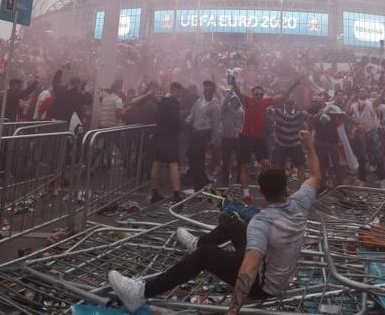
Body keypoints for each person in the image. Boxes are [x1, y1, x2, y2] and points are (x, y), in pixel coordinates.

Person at [108, 129, 321, 314]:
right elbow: (316, 175)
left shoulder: (262, 223)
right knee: (233, 224)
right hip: (275, 266)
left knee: (206, 255)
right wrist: (309, 147)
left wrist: (233, 310)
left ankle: (140, 292)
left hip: (263, 287)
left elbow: (250, 268)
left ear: (262, 193)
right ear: (286, 189)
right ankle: (197, 243)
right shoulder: (300, 202)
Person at [232, 77, 301, 204]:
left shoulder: (265, 102)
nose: (259, 96)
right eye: (256, 94)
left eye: (261, 94)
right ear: (252, 94)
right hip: (245, 137)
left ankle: (261, 184)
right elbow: (238, 92)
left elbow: (283, 97)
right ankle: (246, 195)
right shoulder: (247, 101)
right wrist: (233, 83)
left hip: (259, 137)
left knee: (266, 164)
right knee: (245, 166)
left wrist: (293, 85)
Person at [150, 82, 184, 204]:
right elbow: (176, 120)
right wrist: (179, 129)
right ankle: (176, 194)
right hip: (169, 136)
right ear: (173, 89)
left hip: (158, 135)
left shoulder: (162, 101)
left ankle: (154, 193)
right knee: (174, 164)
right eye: (178, 92)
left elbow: (156, 117)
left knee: (157, 162)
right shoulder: (172, 101)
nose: (180, 94)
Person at [185, 80, 221, 190]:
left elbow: (216, 125)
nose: (206, 92)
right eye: (205, 89)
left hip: (204, 135)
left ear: (213, 91)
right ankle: (200, 181)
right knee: (191, 157)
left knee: (199, 160)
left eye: (209, 90)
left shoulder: (215, 106)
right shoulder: (199, 101)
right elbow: (192, 114)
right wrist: (188, 121)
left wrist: (213, 142)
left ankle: (199, 185)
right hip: (194, 133)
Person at [348, 87, 385, 188]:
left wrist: (383, 92)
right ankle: (362, 180)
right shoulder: (353, 105)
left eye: (363, 91)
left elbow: (378, 99)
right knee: (361, 158)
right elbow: (349, 116)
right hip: (360, 133)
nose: (362, 92)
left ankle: (382, 181)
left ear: (367, 93)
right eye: (360, 91)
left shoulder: (371, 103)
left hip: (371, 132)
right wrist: (354, 129)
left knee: (378, 157)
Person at [269, 98, 307, 188]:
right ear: (284, 104)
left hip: (295, 143)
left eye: (291, 104)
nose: (289, 106)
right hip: (281, 143)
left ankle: (301, 186)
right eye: (287, 104)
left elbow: (307, 116)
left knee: (301, 164)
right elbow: (267, 110)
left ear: (294, 104)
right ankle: (280, 185)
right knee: (278, 165)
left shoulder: (299, 113)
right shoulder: (278, 112)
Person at [221, 90, 244, 186]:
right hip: (227, 138)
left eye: (236, 100)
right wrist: (230, 92)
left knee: (240, 160)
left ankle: (239, 181)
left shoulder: (241, 111)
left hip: (237, 138)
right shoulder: (227, 109)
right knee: (226, 160)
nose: (234, 102)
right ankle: (225, 182)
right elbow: (224, 104)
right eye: (232, 100)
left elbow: (242, 123)